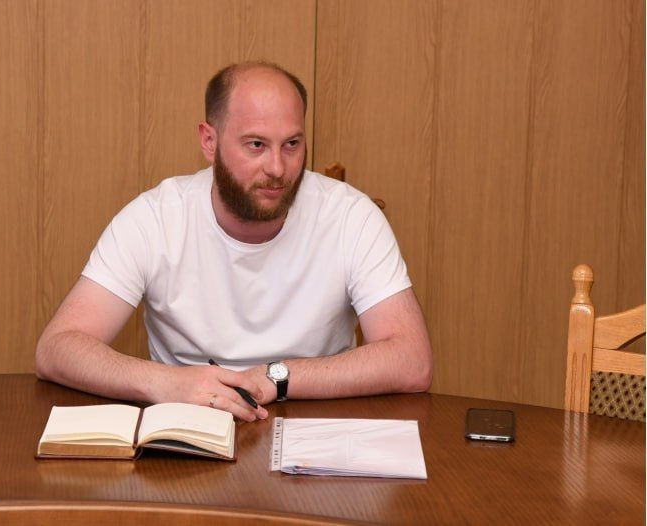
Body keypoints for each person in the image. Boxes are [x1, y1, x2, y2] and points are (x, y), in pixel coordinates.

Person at [35, 62, 432, 422]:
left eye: (292, 145)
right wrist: (164, 382)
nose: (277, 168)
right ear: (209, 141)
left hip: (315, 426)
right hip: (190, 426)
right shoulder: (154, 217)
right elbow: (57, 348)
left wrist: (275, 377)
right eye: (256, 145)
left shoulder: (351, 215)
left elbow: (411, 361)